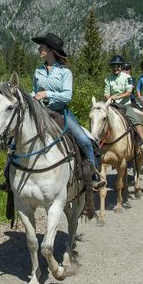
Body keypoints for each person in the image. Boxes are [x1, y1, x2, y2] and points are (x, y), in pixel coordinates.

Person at [31, 32, 105, 190]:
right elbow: (34, 91)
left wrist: (47, 94)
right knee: (15, 139)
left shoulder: (65, 72)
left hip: (60, 112)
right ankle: (9, 178)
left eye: (42, 46)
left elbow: (66, 96)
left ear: (50, 50)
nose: (39, 48)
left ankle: (93, 176)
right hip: (40, 111)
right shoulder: (38, 71)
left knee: (84, 140)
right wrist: (31, 97)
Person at [104, 55, 143, 154]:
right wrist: (109, 99)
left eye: (118, 66)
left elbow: (129, 92)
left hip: (125, 106)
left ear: (121, 67)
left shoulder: (127, 77)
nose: (115, 68)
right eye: (114, 66)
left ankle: (142, 145)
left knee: (137, 122)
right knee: (101, 120)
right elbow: (107, 93)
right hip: (113, 106)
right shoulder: (108, 79)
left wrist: (117, 97)